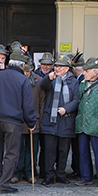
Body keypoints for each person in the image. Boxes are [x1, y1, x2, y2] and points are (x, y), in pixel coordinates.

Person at [0, 44, 35, 193]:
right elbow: (28, 105)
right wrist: (31, 122)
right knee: (12, 153)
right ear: (22, 64)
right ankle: (3, 184)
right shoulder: (23, 80)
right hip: (12, 121)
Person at [37, 52, 80, 185]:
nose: (58, 69)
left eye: (61, 67)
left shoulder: (74, 82)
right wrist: (48, 78)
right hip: (50, 121)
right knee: (49, 150)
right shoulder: (51, 78)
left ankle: (61, 174)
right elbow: (42, 86)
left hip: (66, 121)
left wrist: (66, 108)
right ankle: (49, 175)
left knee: (63, 150)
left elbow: (76, 99)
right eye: (56, 66)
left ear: (68, 68)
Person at [74, 57, 98, 186]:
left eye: (87, 70)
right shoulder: (82, 84)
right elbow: (79, 100)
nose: (84, 72)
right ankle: (86, 177)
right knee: (83, 151)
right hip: (83, 123)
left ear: (94, 72)